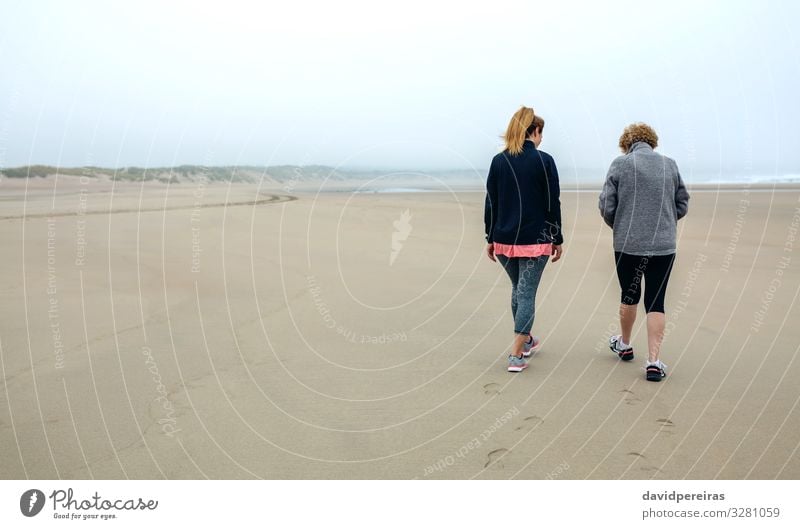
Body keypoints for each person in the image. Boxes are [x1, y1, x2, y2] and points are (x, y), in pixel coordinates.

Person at [599, 122, 690, 381]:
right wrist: (666, 221)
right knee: (656, 300)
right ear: (652, 142)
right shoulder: (669, 164)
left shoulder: (620, 164)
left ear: (626, 144)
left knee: (629, 295)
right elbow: (682, 202)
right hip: (663, 245)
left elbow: (607, 204)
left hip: (628, 244)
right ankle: (653, 361)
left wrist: (620, 224)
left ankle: (625, 344)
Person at [484, 106, 564, 373]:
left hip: (504, 238)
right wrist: (557, 237)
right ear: (535, 131)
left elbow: (491, 202)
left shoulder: (499, 161)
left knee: (519, 289)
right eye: (541, 133)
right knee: (526, 292)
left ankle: (526, 340)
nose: (542, 139)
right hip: (535, 240)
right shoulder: (544, 160)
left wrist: (489, 236)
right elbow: (553, 203)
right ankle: (516, 355)